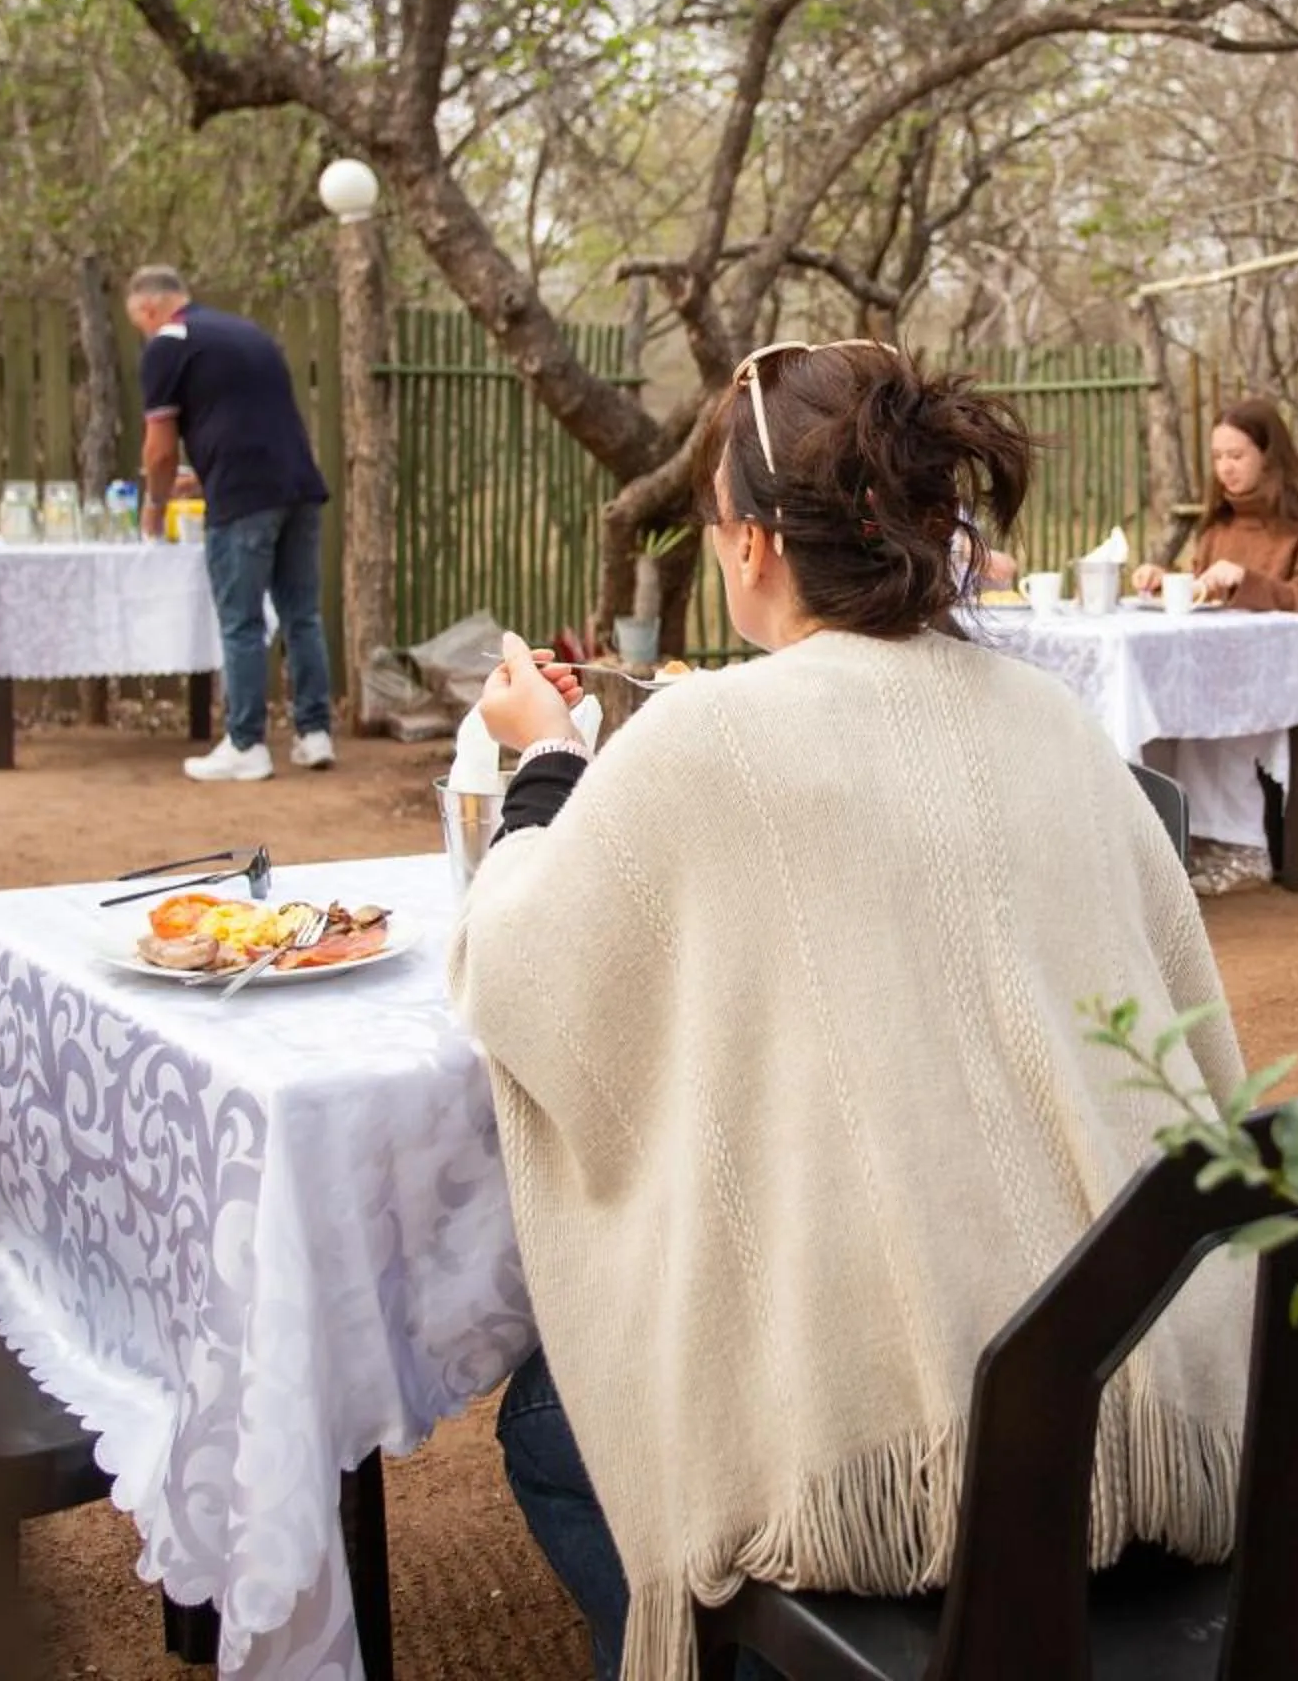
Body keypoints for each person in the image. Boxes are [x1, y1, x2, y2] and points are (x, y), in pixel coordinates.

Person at [450, 339, 1252, 1681]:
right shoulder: (1058, 722)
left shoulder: (704, 741)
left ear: (753, 544)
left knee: (546, 1426)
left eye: (713, 530)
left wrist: (542, 765)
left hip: (908, 1475)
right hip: (1155, 1387)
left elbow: (517, 973)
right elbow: (1193, 1042)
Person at [1132, 397, 1298, 895]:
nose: (1226, 468)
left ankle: (1242, 849)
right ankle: (1175, 838)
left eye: (1237, 455)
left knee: (1218, 715)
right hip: (1222, 669)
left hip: (1292, 676)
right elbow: (1204, 590)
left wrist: (1248, 580)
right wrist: (1162, 581)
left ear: (1268, 456)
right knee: (1159, 712)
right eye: (1217, 457)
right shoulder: (1218, 528)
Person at [130, 266, 336, 781]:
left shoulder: (167, 343)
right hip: (298, 488)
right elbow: (251, 424)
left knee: (241, 621)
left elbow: (158, 450)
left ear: (149, 309)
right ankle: (315, 734)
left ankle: (246, 743)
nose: (143, 334)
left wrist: (153, 507)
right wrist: (202, 479)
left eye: (139, 323)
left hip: (243, 502)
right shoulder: (247, 334)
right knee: (302, 616)